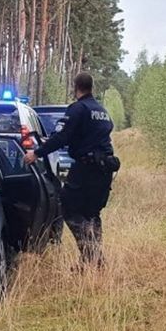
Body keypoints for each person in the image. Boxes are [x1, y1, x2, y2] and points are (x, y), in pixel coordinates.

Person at [23, 72, 118, 265]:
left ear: (76, 88)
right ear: (91, 87)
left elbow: (61, 137)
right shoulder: (102, 111)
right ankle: (92, 261)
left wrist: (36, 153)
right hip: (104, 169)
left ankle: (92, 256)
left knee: (69, 208)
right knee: (92, 213)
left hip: (86, 169)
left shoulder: (78, 109)